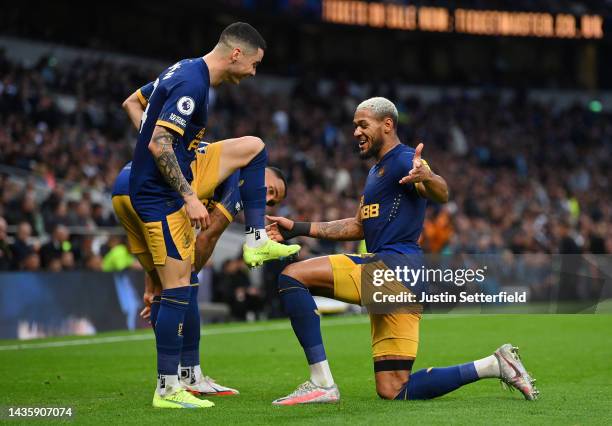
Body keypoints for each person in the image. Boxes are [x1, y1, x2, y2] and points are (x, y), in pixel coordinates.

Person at [265, 97, 539, 405]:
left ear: (387, 125)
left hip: (390, 268)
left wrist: (428, 177)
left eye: (362, 124)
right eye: (355, 125)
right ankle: (493, 365)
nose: (355, 132)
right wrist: (297, 227)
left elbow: (441, 191)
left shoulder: (404, 159)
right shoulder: (376, 173)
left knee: (292, 276)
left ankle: (321, 382)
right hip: (406, 280)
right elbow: (357, 227)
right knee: (394, 388)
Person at [126, 21, 285, 409]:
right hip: (158, 196)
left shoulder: (184, 69)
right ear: (236, 54)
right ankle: (167, 388)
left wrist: (178, 154)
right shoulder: (192, 85)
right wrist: (190, 197)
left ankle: (255, 238)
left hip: (176, 175)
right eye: (254, 63)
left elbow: (133, 103)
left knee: (253, 146)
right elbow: (159, 142)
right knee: (178, 286)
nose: (253, 72)